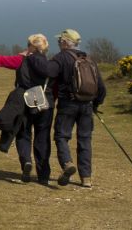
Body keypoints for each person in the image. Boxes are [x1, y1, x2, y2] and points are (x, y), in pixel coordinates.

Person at [0, 34, 60, 184]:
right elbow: (55, 86)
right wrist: (52, 100)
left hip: (24, 101)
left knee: (23, 134)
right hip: (45, 104)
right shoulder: (51, 66)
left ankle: (26, 162)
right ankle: (43, 175)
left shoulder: (21, 60)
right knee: (42, 139)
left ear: (31, 46)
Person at [51, 28, 106, 188]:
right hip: (87, 105)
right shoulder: (88, 59)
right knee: (85, 140)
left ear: (64, 42)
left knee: (61, 136)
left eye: (59, 41)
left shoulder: (60, 58)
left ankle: (67, 163)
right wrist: (95, 104)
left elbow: (48, 73)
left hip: (68, 104)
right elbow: (101, 88)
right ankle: (86, 178)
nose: (58, 43)